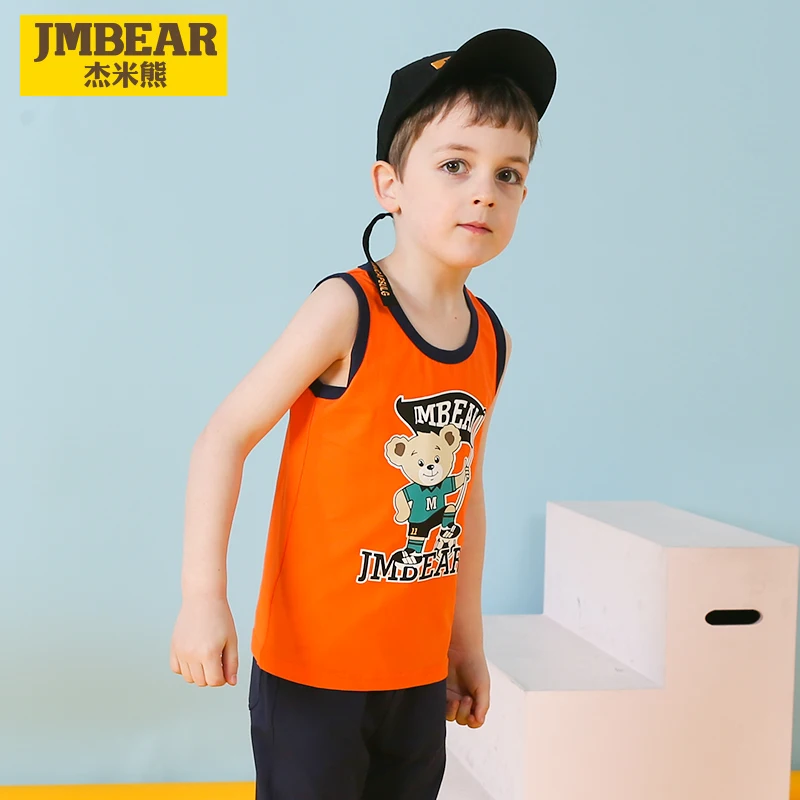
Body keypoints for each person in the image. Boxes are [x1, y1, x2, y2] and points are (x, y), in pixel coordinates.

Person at [170, 27, 557, 800]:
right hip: (314, 671)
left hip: (415, 671)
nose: (484, 190)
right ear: (390, 185)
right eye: (455, 165)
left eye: (508, 173)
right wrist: (201, 599)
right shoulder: (346, 309)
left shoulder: (491, 340)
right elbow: (223, 439)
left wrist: (466, 641)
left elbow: (462, 497)